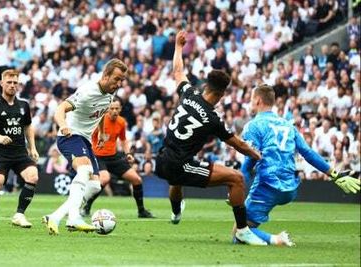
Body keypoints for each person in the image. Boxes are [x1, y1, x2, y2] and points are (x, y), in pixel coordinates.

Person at [154, 31, 267, 246]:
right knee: (236, 178)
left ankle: (176, 213)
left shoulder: (189, 93)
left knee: (176, 182)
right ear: (222, 94)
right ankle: (243, 230)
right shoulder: (213, 118)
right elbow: (239, 145)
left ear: (205, 85)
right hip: (179, 164)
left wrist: (179, 46)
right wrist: (258, 156)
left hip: (162, 159)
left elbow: (178, 71)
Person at [240, 84, 360, 246]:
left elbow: (249, 161)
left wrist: (238, 188)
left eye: (251, 99)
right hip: (290, 188)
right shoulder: (288, 126)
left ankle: (276, 239)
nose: (250, 102)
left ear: (258, 101)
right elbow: (308, 153)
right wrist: (335, 175)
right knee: (244, 229)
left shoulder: (253, 126)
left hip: (267, 185)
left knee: (240, 231)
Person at [43, 58, 128, 235]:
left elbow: (101, 114)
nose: (119, 84)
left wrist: (102, 134)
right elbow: (60, 108)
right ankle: (74, 218)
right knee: (84, 171)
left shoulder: (109, 95)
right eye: (116, 79)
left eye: (122, 80)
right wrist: (63, 125)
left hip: (85, 140)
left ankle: (56, 216)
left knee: (95, 186)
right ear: (105, 75)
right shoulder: (87, 91)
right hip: (70, 136)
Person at [0, 69, 40, 229]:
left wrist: (32, 147)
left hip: (20, 152)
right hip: (1, 153)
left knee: (33, 176)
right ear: (1, 83)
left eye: (15, 83)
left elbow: (27, 126)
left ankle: (19, 215)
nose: (12, 85)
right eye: (9, 82)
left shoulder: (24, 105)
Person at [81, 98, 155, 218]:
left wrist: (128, 154)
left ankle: (141, 211)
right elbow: (87, 136)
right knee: (105, 179)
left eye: (117, 108)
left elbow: (123, 140)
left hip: (114, 157)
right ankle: (87, 206)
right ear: (107, 109)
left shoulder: (121, 122)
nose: (114, 111)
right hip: (98, 157)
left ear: (120, 109)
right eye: (112, 108)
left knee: (137, 179)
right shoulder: (99, 121)